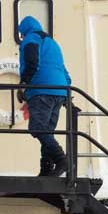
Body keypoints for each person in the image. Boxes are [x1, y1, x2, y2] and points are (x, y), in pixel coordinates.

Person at [17, 15, 71, 177]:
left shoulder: (31, 39)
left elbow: (32, 60)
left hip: (42, 90)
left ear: (24, 31)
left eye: (21, 34)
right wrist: (68, 94)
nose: (21, 38)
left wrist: (24, 83)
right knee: (47, 131)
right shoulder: (53, 44)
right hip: (60, 91)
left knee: (38, 128)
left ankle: (62, 160)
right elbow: (63, 69)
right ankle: (46, 170)